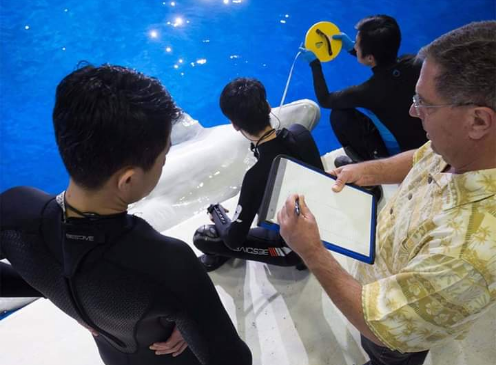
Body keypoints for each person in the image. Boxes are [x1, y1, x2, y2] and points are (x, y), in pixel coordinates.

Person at [0, 64, 252, 365]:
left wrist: (61, 290)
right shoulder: (168, 263)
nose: (162, 164)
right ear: (128, 180)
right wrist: (189, 318)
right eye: (163, 157)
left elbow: (72, 270)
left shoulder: (14, 209)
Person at [278, 21, 496, 365]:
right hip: (383, 264)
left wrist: (311, 251)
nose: (413, 111)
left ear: (479, 121)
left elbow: (384, 325)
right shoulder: (461, 149)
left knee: (384, 353)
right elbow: (422, 156)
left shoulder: (466, 258)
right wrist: (367, 170)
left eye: (424, 103)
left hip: (391, 336)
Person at [193, 77, 324, 272]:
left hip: (295, 250)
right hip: (324, 229)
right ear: (268, 106)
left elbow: (233, 240)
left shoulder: (256, 175)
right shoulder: (300, 133)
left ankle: (301, 259)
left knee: (203, 237)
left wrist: (216, 212)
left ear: (235, 125)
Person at [300, 15, 428, 166]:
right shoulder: (416, 63)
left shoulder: (367, 92)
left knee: (339, 116)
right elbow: (383, 68)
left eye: (357, 45)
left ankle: (370, 164)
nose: (354, 46)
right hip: (425, 141)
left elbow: (325, 100)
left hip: (399, 157)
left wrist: (314, 64)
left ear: (370, 58)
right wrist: (352, 50)